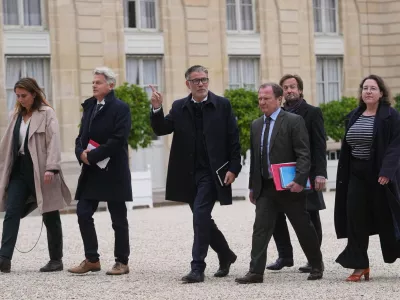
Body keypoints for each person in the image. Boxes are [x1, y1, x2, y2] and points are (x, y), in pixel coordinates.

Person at [150, 65, 242, 283]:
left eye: (204, 79)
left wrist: (234, 168)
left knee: (200, 216)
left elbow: (233, 139)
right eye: (196, 80)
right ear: (188, 84)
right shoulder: (179, 106)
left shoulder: (222, 105)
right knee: (203, 219)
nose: (201, 84)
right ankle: (226, 254)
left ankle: (197, 267)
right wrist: (156, 109)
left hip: (212, 173)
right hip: (187, 173)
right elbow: (162, 128)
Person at [235, 83, 323, 284]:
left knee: (303, 227)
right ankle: (255, 272)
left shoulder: (293, 121)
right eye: (259, 98)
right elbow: (256, 159)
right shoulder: (256, 124)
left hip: (289, 187)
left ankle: (316, 264)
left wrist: (300, 180)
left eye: (266, 98)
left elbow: (303, 153)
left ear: (278, 99)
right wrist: (252, 187)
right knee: (260, 229)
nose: (262, 102)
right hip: (265, 188)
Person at [0, 77, 71, 273]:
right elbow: (7, 144)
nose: (20, 99)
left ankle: (56, 259)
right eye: (17, 96)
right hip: (19, 169)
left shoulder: (47, 113)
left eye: (23, 95)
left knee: (50, 213)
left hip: (41, 169)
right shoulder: (15, 115)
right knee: (12, 212)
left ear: (34, 94)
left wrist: (51, 167)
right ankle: (4, 259)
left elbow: (54, 141)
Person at [334, 74, 400, 282]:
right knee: (355, 219)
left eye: (373, 88)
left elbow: (396, 145)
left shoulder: (391, 115)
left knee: (389, 219)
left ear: (381, 93)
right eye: (365, 88)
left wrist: (386, 171)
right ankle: (359, 265)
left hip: (380, 175)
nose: (368, 91)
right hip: (356, 174)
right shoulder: (354, 115)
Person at [68, 67, 132, 276]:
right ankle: (92, 259)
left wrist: (92, 155)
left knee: (118, 219)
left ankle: (122, 262)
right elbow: (81, 137)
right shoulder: (89, 106)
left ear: (110, 85)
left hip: (113, 170)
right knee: (83, 213)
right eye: (93, 82)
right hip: (91, 171)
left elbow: (118, 139)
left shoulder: (121, 108)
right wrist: (80, 153)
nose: (94, 85)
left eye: (98, 82)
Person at [267, 74, 327, 273]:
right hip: (282, 173)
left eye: (293, 86)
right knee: (276, 214)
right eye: (285, 87)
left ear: (300, 90)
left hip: (307, 172)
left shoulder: (312, 112)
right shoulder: (278, 114)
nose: (289, 90)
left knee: (310, 216)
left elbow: (319, 145)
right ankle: (285, 256)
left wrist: (320, 173)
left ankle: (314, 259)